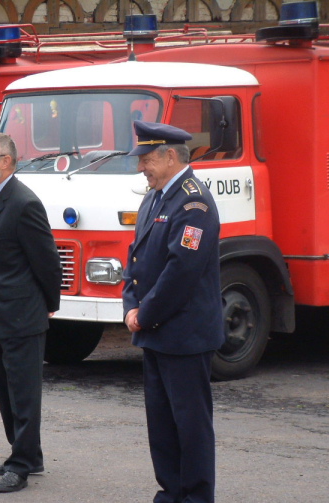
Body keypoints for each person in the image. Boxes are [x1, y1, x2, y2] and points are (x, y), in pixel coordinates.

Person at [122, 121, 225, 503]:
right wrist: (131, 305)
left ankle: (196, 497)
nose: (141, 168)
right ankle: (171, 492)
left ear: (169, 156)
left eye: (146, 159)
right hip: (155, 331)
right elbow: (136, 258)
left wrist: (143, 314)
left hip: (185, 334)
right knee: (162, 425)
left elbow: (181, 270)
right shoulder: (155, 196)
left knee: (190, 425)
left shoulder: (193, 202)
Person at [0, 133, 62, 493]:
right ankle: (26, 452)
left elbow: (47, 261)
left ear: (5, 162)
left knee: (24, 393)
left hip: (22, 314)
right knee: (5, 390)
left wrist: (48, 305)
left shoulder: (24, 203)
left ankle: (22, 464)